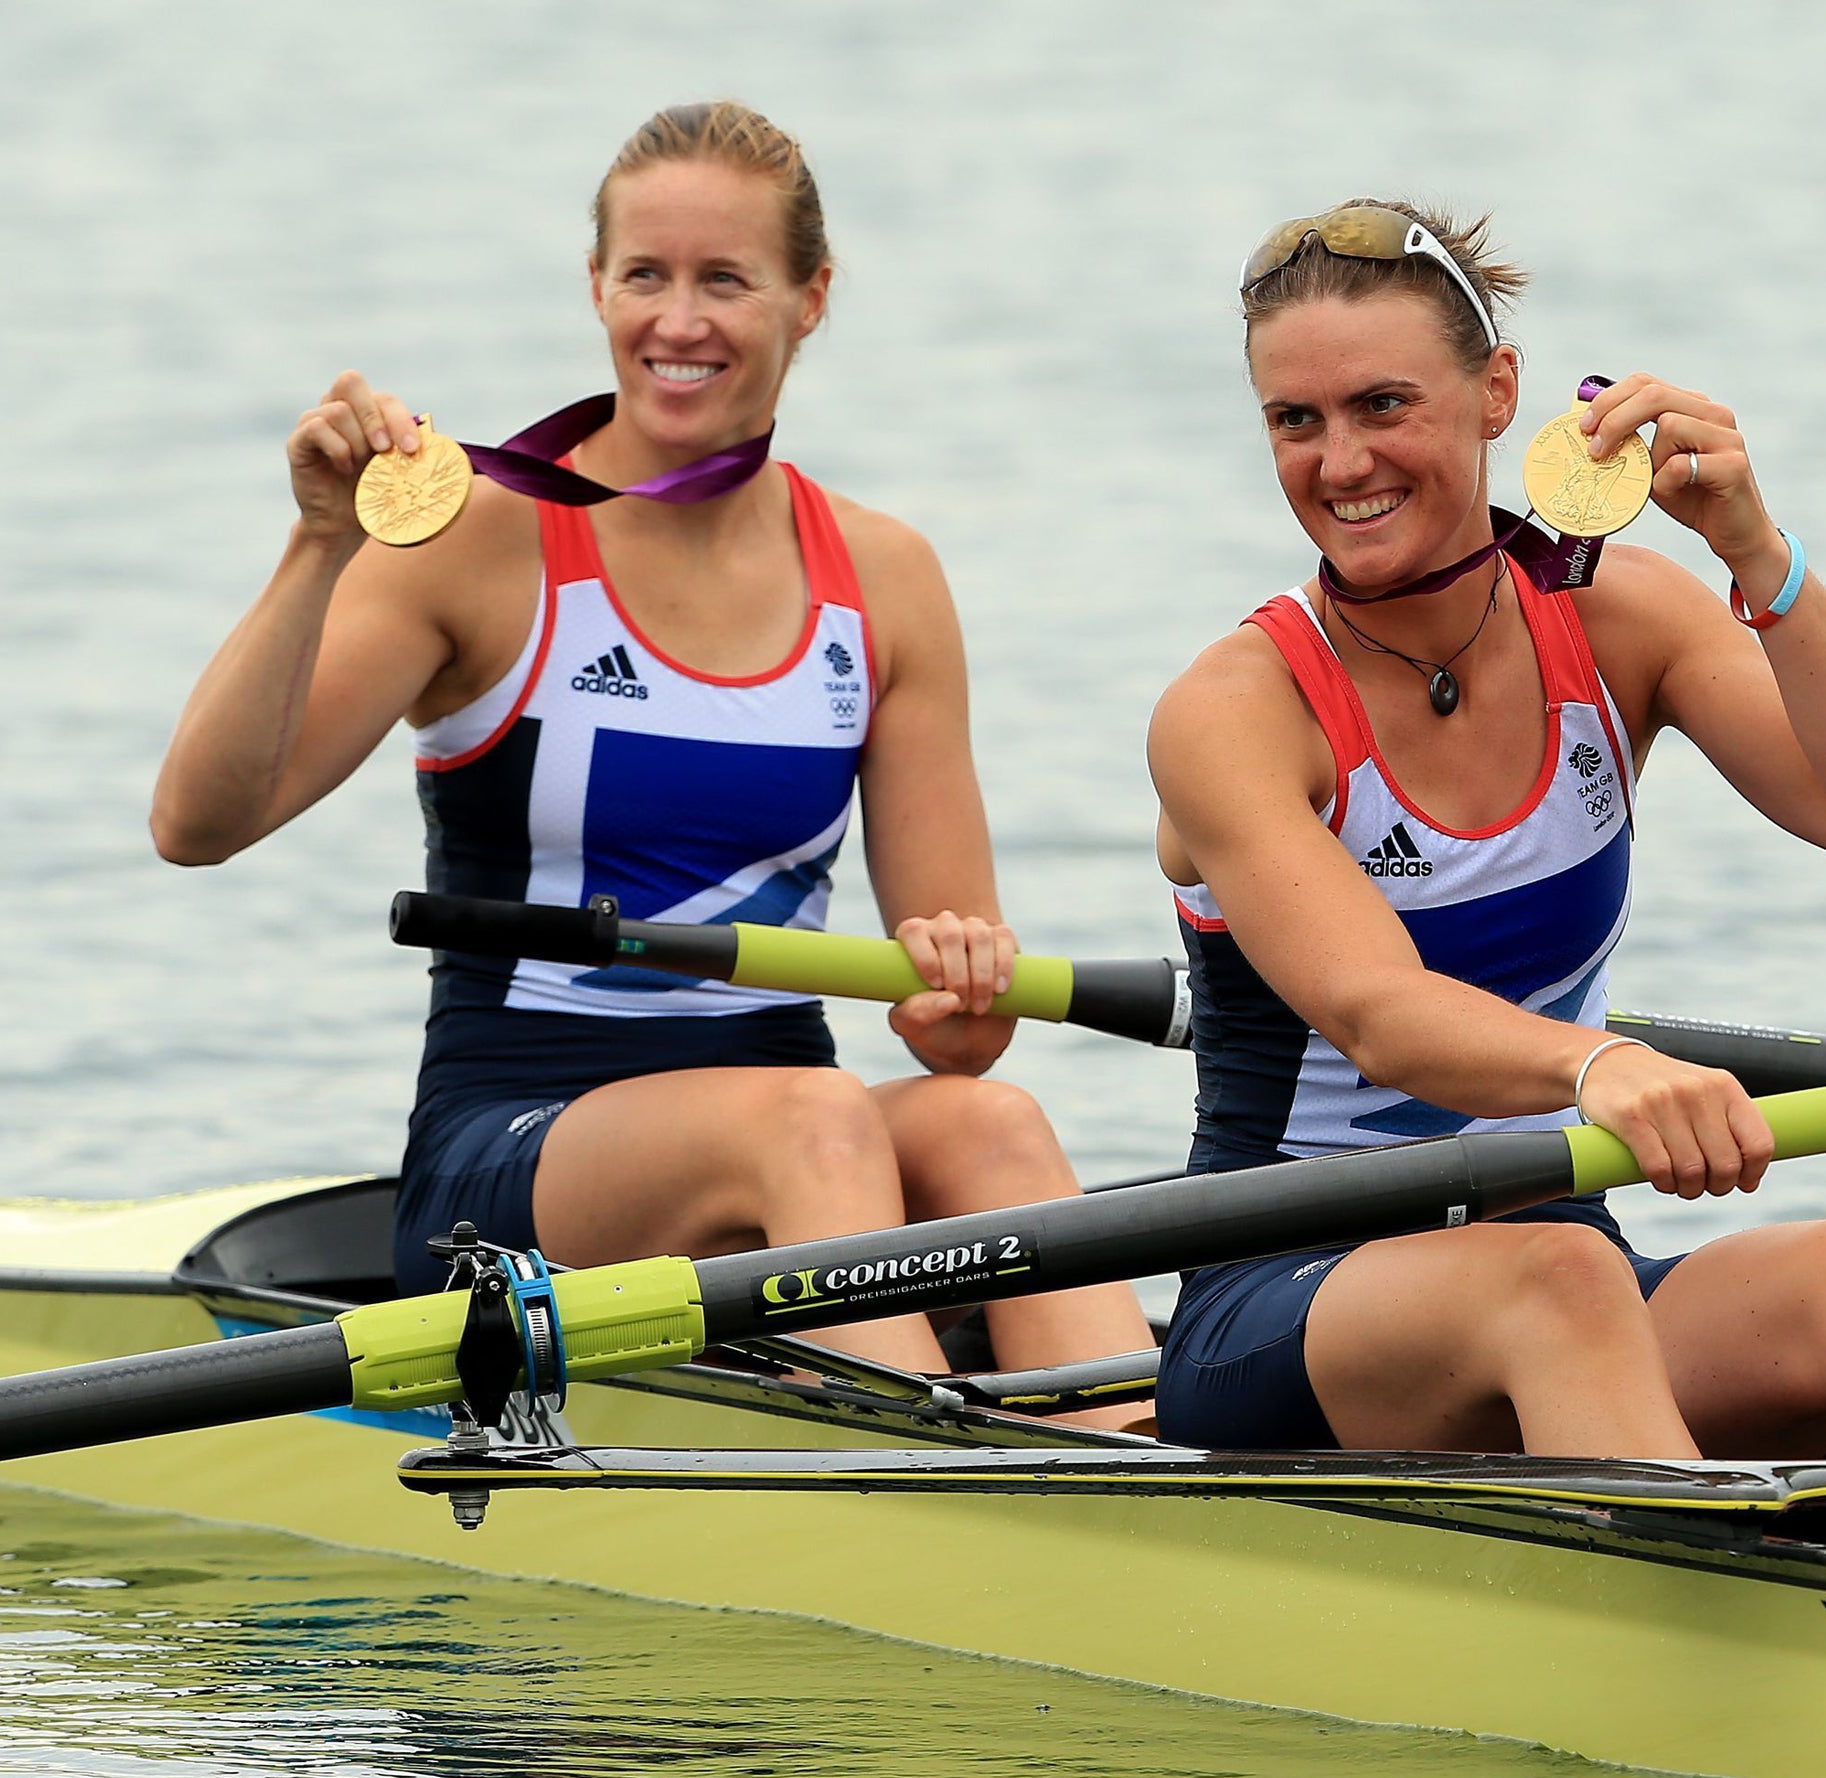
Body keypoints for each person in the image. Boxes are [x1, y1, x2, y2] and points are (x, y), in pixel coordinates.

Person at [151, 101, 1149, 1404]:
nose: (679, 321)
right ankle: (962, 1487)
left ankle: (1142, 1457)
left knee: (988, 1124)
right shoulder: (482, 542)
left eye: (726, 279)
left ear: (812, 299)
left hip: (796, 1142)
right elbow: (199, 820)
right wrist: (318, 544)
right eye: (647, 277)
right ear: (598, 289)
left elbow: (956, 1038)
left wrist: (961, 991)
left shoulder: (886, 582)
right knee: (819, 1116)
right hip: (512, 1152)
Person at [1147, 200, 1826, 1575]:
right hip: (1282, 1301)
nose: (1340, 463)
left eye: (1384, 404)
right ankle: (1741, 1670)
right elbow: (1380, 1014)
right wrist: (1601, 1066)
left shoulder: (1623, 620)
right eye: (1296, 421)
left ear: (1496, 392)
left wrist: (1756, 551)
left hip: (1560, 1276)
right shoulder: (1238, 707)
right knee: (1559, 1276)